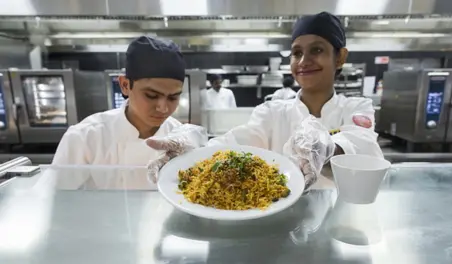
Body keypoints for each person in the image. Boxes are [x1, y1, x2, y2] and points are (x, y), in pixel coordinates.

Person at [147, 12, 382, 189]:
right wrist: (196, 149)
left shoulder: (356, 107)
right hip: (277, 221)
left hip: (336, 220)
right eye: (297, 53)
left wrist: (327, 146)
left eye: (317, 50)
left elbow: (363, 145)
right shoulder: (273, 112)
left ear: (340, 57)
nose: (303, 61)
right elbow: (235, 142)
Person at [52, 36, 206, 167]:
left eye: (173, 97)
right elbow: (55, 197)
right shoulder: (85, 137)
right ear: (125, 85)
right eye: (151, 95)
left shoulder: (179, 139)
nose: (163, 108)